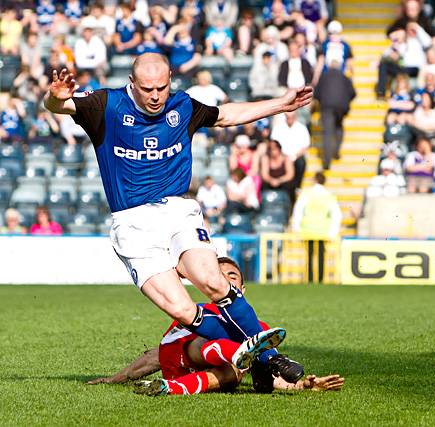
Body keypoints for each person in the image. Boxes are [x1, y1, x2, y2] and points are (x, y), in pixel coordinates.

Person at [43, 53, 312, 380]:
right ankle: (258, 358)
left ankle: (271, 357)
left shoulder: (182, 105)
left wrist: (281, 104)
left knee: (214, 282)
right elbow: (61, 105)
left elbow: (225, 115)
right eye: (147, 89)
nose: (155, 96)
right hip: (133, 223)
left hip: (178, 210)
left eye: (161, 87)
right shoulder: (106, 105)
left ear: (170, 79)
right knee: (183, 310)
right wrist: (53, 99)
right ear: (132, 83)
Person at [86, 257, 344, 395]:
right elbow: (154, 357)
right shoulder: (193, 312)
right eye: (217, 276)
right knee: (209, 342)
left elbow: (275, 381)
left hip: (209, 374)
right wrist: (114, 378)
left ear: (240, 289)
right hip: (184, 357)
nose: (223, 281)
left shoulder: (257, 327)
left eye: (230, 277)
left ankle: (174, 388)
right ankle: (249, 355)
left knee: (234, 372)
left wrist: (303, 385)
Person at [291, 172, 341, 282]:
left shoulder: (306, 193)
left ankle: (309, 277)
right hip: (323, 231)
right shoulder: (329, 195)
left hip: (308, 230)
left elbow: (298, 211)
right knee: (321, 255)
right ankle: (320, 278)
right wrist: (333, 231)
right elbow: (336, 214)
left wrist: (296, 227)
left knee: (309, 255)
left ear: (315, 180)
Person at [314, 59, 356, 170]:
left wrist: (322, 101)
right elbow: (353, 93)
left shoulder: (324, 76)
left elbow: (316, 93)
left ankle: (326, 161)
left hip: (327, 107)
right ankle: (336, 152)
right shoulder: (345, 77)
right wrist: (345, 102)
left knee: (327, 133)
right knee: (338, 128)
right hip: (341, 107)